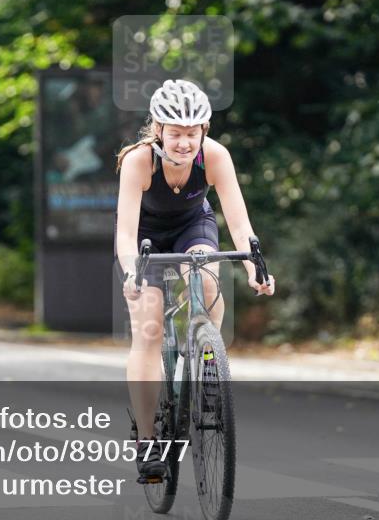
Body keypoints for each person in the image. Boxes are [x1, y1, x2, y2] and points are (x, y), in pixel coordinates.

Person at [114, 79, 275, 483]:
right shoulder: (138, 161)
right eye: (175, 134)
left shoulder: (215, 156)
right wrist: (132, 273)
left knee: (205, 281)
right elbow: (124, 232)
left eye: (192, 133)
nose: (184, 143)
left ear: (203, 131)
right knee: (149, 326)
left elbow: (238, 222)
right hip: (146, 238)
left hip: (191, 228)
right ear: (158, 129)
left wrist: (256, 266)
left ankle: (206, 358)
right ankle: (148, 439)